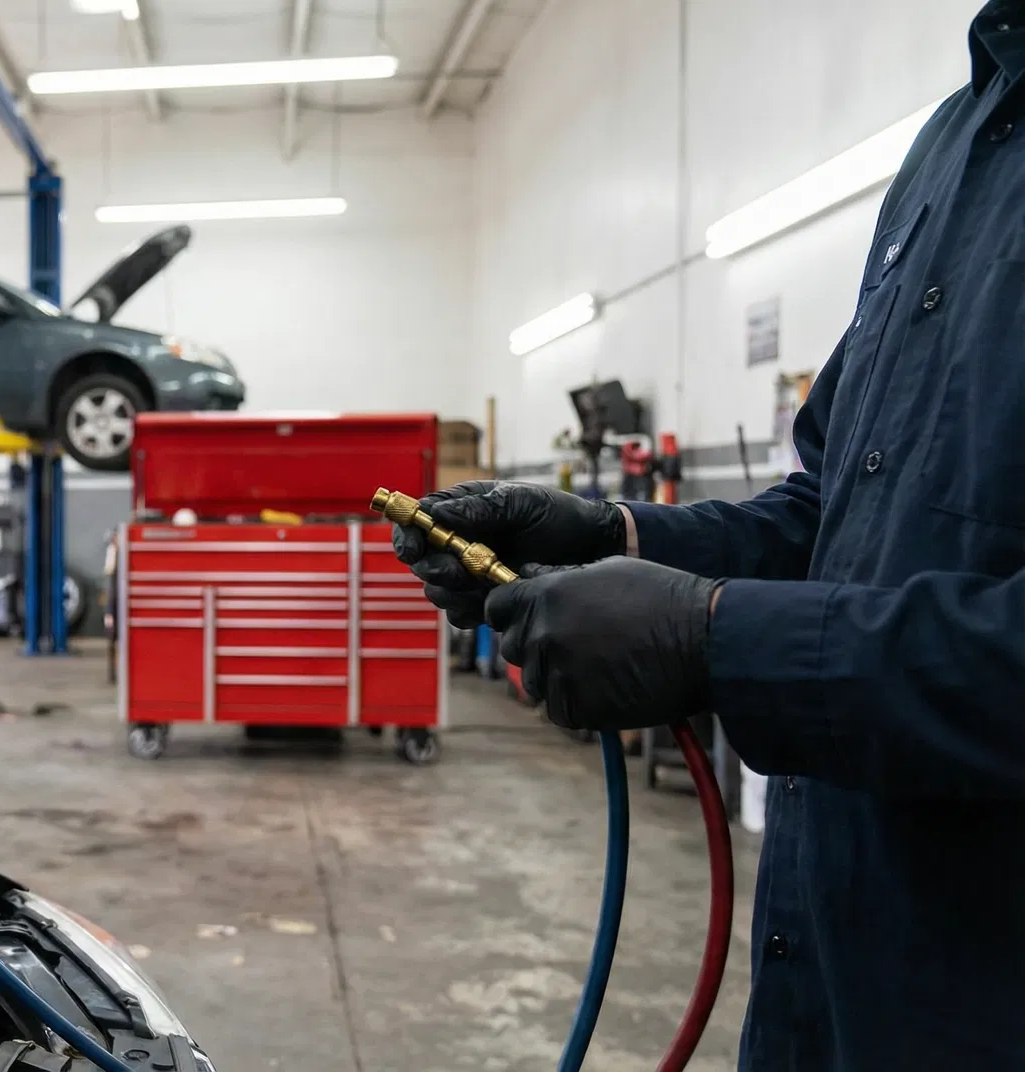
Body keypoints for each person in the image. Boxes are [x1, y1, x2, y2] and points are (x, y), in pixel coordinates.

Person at [393, 6, 1025, 1068]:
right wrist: (615, 535)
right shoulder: (953, 146)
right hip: (825, 976)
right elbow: (830, 514)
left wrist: (712, 639)